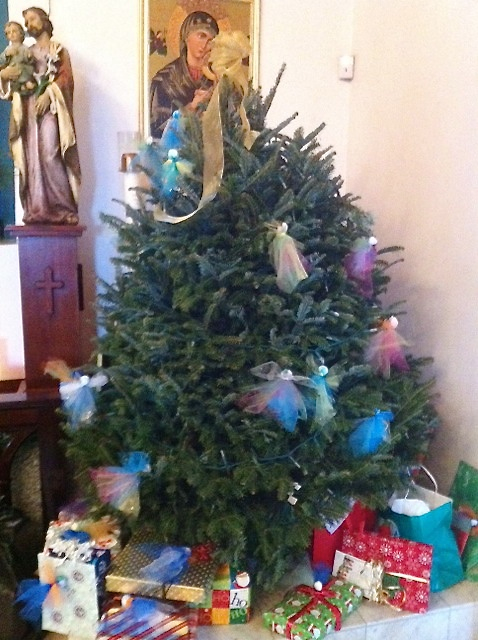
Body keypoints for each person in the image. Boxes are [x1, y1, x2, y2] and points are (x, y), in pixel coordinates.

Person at [0, 7, 81, 225]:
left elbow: (66, 80)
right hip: (28, 112)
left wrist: (49, 93)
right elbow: (11, 76)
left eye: (33, 19)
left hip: (51, 112)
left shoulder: (58, 50)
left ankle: (64, 208)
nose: (28, 25)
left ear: (44, 20)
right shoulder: (24, 52)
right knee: (32, 157)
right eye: (26, 22)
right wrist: (4, 76)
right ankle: (37, 208)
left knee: (50, 153)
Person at [149, 11, 219, 139]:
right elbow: (157, 129)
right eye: (201, 36)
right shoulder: (164, 79)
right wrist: (192, 107)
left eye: (211, 40)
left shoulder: (217, 79)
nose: (205, 45)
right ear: (186, 37)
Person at [0, 21, 36, 98]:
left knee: (25, 70)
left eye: (14, 31)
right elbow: (1, 61)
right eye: (9, 33)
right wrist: (7, 55)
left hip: (23, 67)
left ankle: (26, 83)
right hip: (13, 69)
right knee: (14, 79)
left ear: (21, 33)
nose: (12, 34)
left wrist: (29, 56)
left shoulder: (25, 48)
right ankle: (20, 87)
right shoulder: (8, 49)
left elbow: (31, 61)